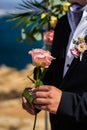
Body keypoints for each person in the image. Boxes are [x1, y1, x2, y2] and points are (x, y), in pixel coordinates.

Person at [22, 0, 87, 130]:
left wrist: (65, 103)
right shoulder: (63, 22)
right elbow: (57, 73)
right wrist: (37, 95)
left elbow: (63, 101)